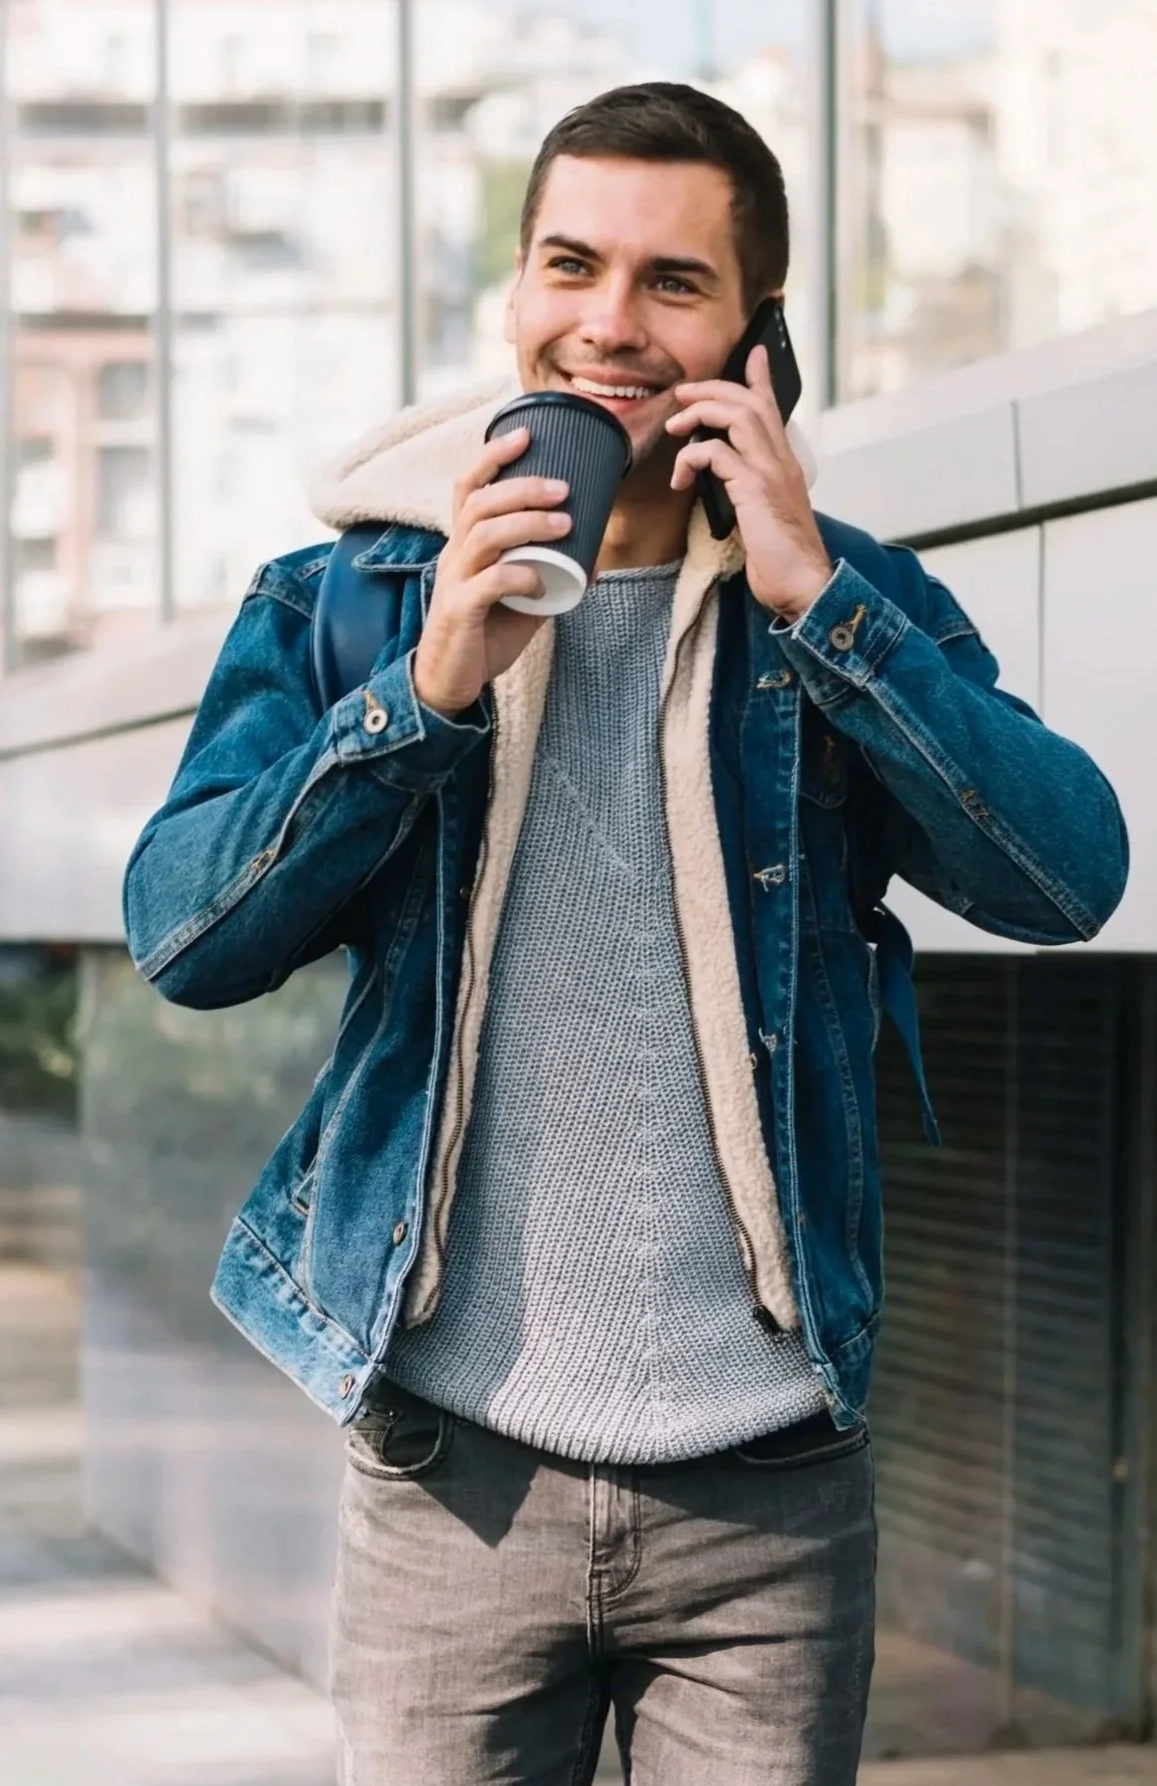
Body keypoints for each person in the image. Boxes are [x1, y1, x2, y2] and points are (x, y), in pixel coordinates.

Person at [123, 81, 1128, 1786]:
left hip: (768, 1495)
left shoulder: (847, 597)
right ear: (516, 291)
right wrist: (423, 692)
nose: (610, 324)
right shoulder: (349, 596)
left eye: (673, 283)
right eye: (570, 265)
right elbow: (185, 930)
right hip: (452, 1481)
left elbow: (1062, 878)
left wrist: (824, 607)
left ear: (756, 329)